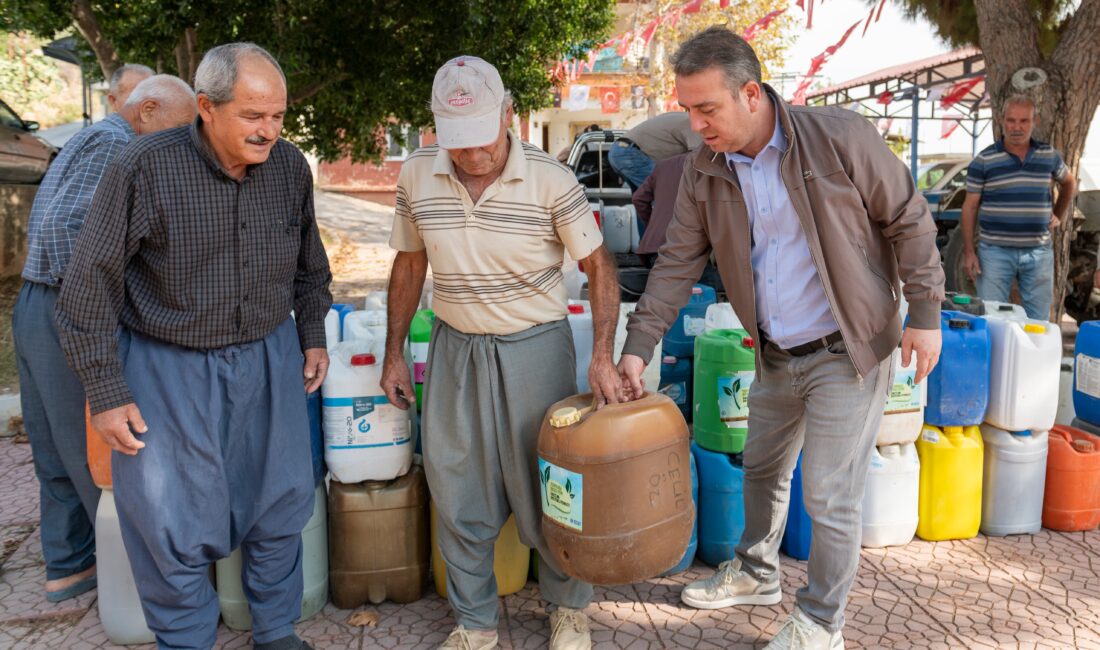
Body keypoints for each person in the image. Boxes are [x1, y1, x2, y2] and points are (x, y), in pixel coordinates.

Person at [617, 27, 944, 650]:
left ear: (750, 94)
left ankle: (823, 622)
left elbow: (908, 216)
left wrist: (926, 312)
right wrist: (639, 347)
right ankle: (758, 574)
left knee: (828, 493)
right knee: (762, 469)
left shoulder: (838, 137)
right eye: (688, 109)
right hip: (772, 352)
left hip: (847, 348)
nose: (696, 124)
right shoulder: (701, 172)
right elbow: (677, 265)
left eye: (706, 108)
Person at [56, 43, 331, 650]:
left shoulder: (289, 169)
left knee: (279, 501)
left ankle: (276, 631)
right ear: (206, 107)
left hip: (267, 356)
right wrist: (105, 389)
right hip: (168, 364)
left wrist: (312, 334)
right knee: (169, 518)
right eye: (253, 116)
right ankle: (184, 639)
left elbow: (311, 265)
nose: (269, 131)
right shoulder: (143, 167)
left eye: (278, 116)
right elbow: (87, 285)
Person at [381, 55, 624, 650]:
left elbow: (599, 266)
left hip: (534, 349)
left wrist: (601, 355)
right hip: (455, 347)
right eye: (458, 142)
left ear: (510, 114)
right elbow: (410, 263)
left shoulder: (550, 178)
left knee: (552, 483)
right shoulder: (416, 174)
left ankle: (568, 608)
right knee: (457, 484)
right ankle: (475, 624)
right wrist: (393, 352)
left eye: (483, 137)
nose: (473, 155)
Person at [13, 74, 195, 604]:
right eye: (178, 131)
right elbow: (76, 235)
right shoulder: (116, 145)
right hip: (66, 307)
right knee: (98, 453)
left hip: (38, 303)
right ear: (148, 111)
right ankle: (130, 581)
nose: (179, 146)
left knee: (54, 445)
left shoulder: (92, 140)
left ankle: (69, 566)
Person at [961, 95, 1076, 320]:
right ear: (1001, 120)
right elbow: (969, 207)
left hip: (1038, 252)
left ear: (1036, 121)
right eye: (1011, 120)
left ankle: (1034, 356)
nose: (1017, 127)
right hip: (994, 253)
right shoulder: (984, 160)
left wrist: (1058, 215)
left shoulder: (1048, 156)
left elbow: (1069, 183)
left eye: (1024, 121)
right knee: (992, 318)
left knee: (1038, 321)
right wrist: (968, 252)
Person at [607, 111, 702, 192]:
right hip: (631, 154)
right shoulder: (693, 123)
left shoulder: (681, 116)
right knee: (665, 193)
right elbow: (697, 161)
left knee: (643, 199)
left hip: (620, 150)